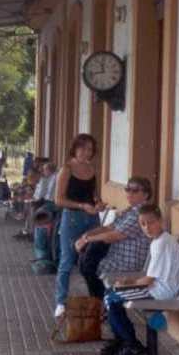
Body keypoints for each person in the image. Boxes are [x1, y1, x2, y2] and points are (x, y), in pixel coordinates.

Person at [100, 204, 179, 355]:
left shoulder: (161, 243)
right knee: (111, 294)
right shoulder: (160, 240)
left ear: (161, 221)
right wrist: (129, 281)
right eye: (142, 224)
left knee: (111, 298)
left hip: (161, 292)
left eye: (151, 222)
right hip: (157, 287)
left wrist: (126, 285)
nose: (147, 227)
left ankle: (131, 344)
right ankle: (123, 341)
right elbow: (151, 276)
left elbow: (149, 280)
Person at [74, 176, 152, 299]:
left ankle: (100, 304)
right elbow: (109, 227)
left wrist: (86, 240)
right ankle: (100, 304)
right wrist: (86, 235)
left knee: (88, 264)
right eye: (128, 189)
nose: (130, 193)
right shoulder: (130, 211)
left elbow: (114, 235)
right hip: (116, 257)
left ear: (146, 195)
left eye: (135, 190)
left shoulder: (140, 213)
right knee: (86, 260)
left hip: (127, 264)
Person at [53, 133, 104, 318]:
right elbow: (58, 200)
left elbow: (94, 194)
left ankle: (97, 302)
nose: (86, 152)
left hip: (92, 218)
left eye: (90, 149)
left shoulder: (92, 168)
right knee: (66, 260)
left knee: (94, 259)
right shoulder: (66, 169)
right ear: (74, 148)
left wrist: (98, 203)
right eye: (82, 148)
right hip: (72, 218)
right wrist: (82, 205)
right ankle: (60, 302)